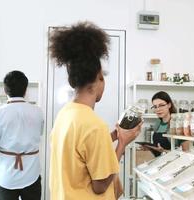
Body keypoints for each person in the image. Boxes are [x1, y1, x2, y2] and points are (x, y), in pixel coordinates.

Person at [48, 22, 142, 200]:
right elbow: (100, 185)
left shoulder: (65, 114)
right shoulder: (94, 125)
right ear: (99, 78)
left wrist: (114, 136)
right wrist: (122, 143)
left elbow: (78, 150)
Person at [0, 70, 44, 200]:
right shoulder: (38, 112)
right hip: (31, 173)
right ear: (26, 90)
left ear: (5, 90)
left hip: (6, 176)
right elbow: (39, 134)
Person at [140, 91, 189, 156]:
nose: (158, 109)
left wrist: (164, 151)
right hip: (160, 163)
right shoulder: (158, 123)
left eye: (161, 105)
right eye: (155, 106)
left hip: (174, 164)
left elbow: (186, 153)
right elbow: (158, 148)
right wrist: (150, 148)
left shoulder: (179, 125)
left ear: (169, 105)